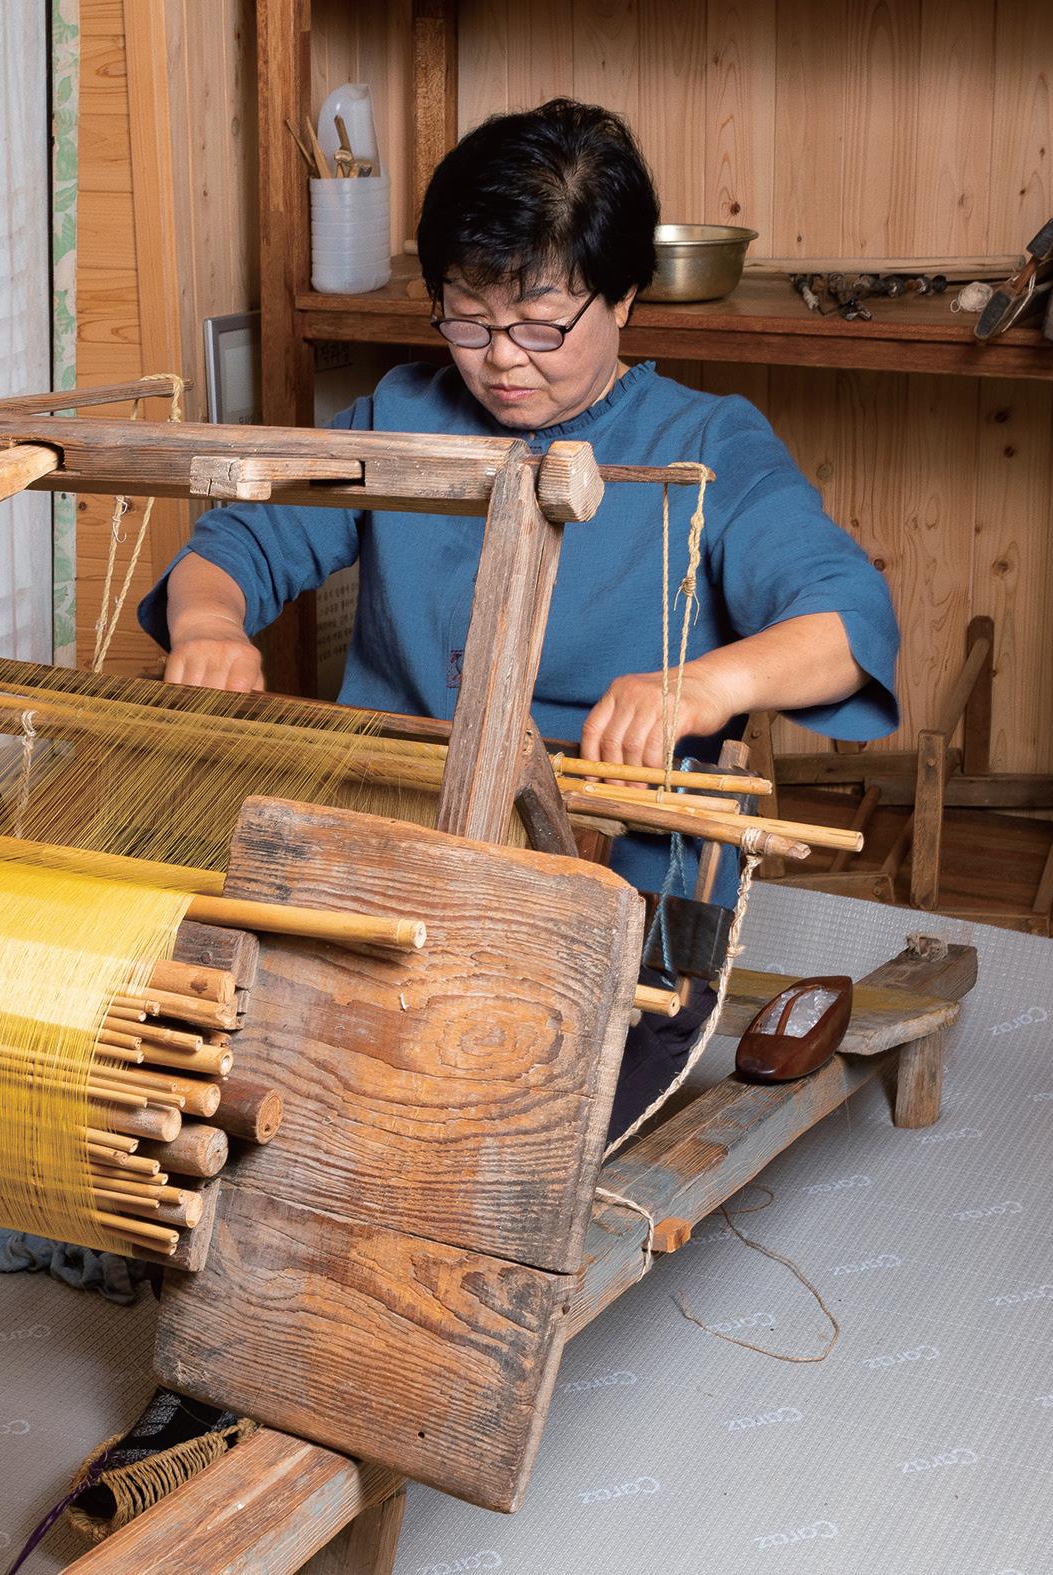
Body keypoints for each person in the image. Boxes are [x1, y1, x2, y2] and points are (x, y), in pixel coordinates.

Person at [136, 99, 901, 1140]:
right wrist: (210, 628)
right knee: (211, 1079)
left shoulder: (702, 441)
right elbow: (233, 548)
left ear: (624, 298)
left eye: (541, 325)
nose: (500, 359)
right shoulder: (403, 417)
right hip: (392, 842)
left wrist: (700, 687)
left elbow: (846, 619)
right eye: (468, 318)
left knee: (482, 1133)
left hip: (602, 879)